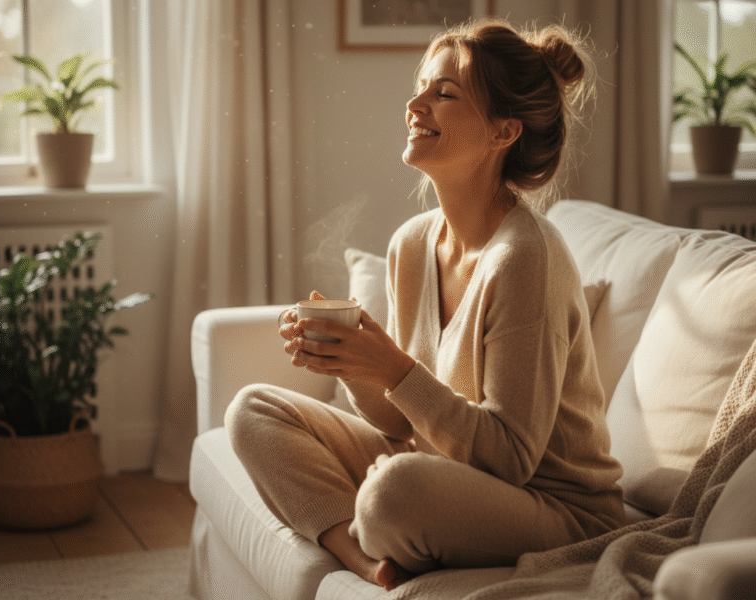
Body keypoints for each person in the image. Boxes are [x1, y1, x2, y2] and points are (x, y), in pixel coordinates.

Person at [225, 17, 625, 592]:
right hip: (440, 470)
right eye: (420, 87)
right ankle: (363, 557)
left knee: (394, 493)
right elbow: (394, 422)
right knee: (252, 410)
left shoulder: (525, 256)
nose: (415, 105)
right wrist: (357, 363)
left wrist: (392, 368)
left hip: (550, 505)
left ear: (502, 132)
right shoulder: (412, 244)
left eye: (443, 94)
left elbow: (509, 458)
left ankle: (382, 524)